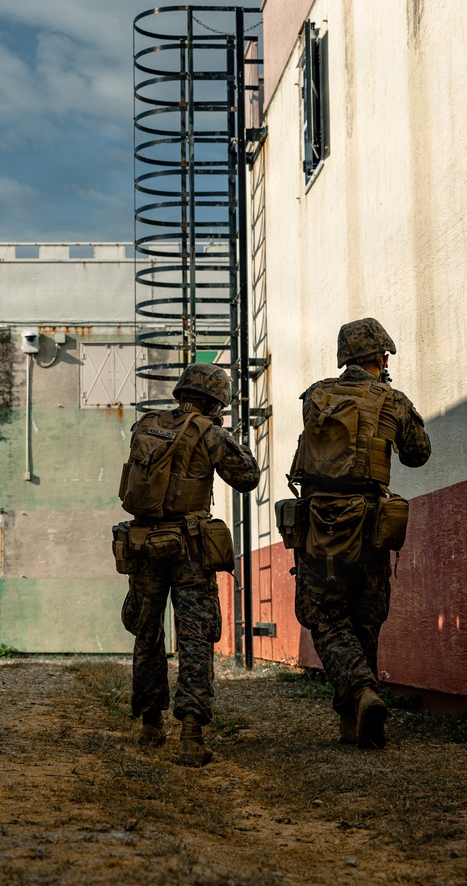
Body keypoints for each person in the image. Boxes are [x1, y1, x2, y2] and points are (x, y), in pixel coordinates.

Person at [289, 318, 431, 749]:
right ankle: (359, 716)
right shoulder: (392, 398)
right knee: (365, 619)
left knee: (326, 618)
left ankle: (358, 700)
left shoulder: (315, 395)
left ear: (344, 356)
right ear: (381, 357)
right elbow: (418, 455)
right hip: (370, 521)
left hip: (319, 525)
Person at [120, 363, 260, 767]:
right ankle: (191, 736)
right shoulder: (210, 432)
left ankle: (150, 724)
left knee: (147, 633)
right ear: (217, 400)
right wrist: (236, 440)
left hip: (145, 544)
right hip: (189, 547)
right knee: (195, 640)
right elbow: (247, 477)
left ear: (180, 393)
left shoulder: (146, 426)